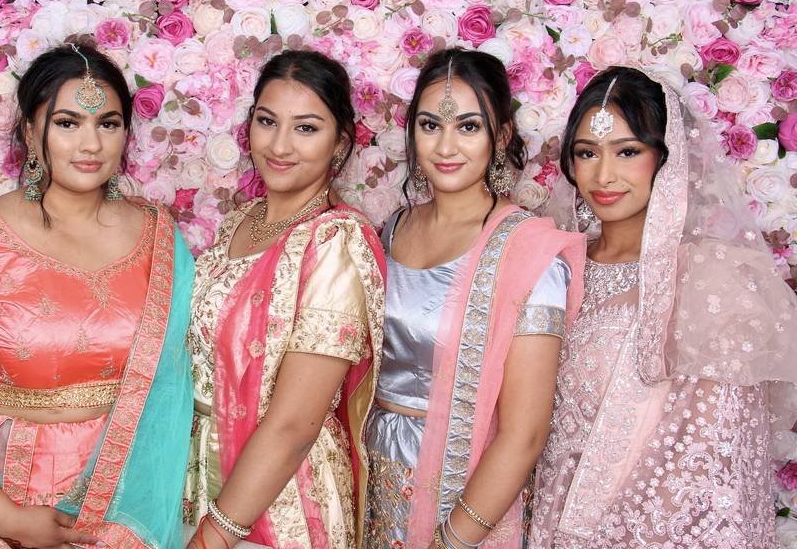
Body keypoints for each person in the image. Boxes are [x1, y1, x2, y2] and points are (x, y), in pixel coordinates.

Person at [0, 43, 194, 549]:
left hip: (130, 499)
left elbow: (178, 385)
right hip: (9, 498)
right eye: (68, 123)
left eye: (109, 123)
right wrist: (5, 517)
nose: (91, 144)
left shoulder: (160, 236)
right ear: (32, 132)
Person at [529, 66, 797, 548]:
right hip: (539, 520)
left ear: (666, 159)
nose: (603, 175)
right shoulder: (553, 265)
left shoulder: (710, 283)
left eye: (627, 152)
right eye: (586, 153)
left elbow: (714, 465)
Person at [362, 49, 586, 549]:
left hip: (463, 494)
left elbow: (524, 434)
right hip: (371, 477)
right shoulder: (391, 229)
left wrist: (451, 540)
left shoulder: (529, 254)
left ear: (501, 135)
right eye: (429, 125)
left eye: (467, 126)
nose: (445, 146)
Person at [183, 49, 386, 549]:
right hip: (196, 478)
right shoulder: (241, 221)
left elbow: (295, 423)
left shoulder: (335, 242)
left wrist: (216, 535)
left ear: (341, 141)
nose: (279, 145)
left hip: (283, 500)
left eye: (306, 128)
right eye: (267, 121)